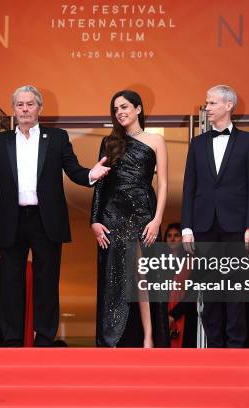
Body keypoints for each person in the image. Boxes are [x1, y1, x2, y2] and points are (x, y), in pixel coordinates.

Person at [0, 85, 110, 347]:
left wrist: (91, 175)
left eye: (30, 104)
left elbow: (73, 170)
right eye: (20, 105)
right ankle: (12, 339)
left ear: (39, 108)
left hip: (47, 220)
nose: (25, 109)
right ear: (13, 110)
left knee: (47, 282)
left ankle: (44, 338)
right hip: (13, 219)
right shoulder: (0, 141)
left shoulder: (57, 138)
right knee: (10, 282)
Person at [181, 85, 249, 348]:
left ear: (228, 105)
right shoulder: (197, 143)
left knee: (235, 288)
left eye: (212, 103)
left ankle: (236, 345)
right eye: (207, 103)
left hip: (236, 226)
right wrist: (186, 228)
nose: (207, 108)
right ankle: (214, 346)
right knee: (210, 288)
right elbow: (189, 187)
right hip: (204, 226)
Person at [90, 89, 169, 348]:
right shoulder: (109, 142)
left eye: (124, 107)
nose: (120, 112)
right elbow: (100, 184)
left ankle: (148, 337)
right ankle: (112, 340)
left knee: (141, 274)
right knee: (114, 276)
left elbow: (164, 184)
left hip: (142, 213)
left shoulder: (156, 140)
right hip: (113, 215)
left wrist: (157, 219)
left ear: (138, 108)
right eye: (115, 109)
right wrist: (94, 220)